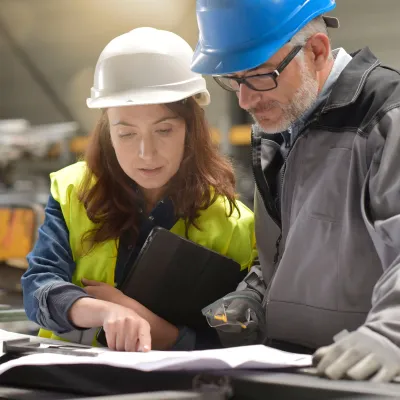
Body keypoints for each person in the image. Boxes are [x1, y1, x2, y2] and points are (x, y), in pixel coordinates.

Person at [191, 0, 400, 382]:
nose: (246, 100)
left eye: (258, 75)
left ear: (317, 50)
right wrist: (254, 294)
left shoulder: (387, 119)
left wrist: (391, 335)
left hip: (366, 378)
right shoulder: (281, 124)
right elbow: (292, 247)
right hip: (294, 371)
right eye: (235, 80)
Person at [21, 27, 257, 353]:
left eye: (163, 130)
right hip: (67, 381)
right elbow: (38, 287)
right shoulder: (72, 190)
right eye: (127, 134)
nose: (146, 153)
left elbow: (236, 337)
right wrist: (105, 311)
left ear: (192, 130)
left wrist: (153, 326)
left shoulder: (234, 224)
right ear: (107, 131)